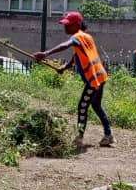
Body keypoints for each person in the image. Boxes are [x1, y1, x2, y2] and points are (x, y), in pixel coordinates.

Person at [33, 10, 113, 148]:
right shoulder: (86, 37)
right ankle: (108, 135)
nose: (65, 27)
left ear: (76, 25)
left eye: (67, 24)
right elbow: (77, 56)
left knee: (82, 106)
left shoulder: (77, 37)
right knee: (96, 106)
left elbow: (65, 45)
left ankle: (79, 137)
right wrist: (65, 68)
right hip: (100, 76)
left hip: (93, 80)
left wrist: (45, 53)